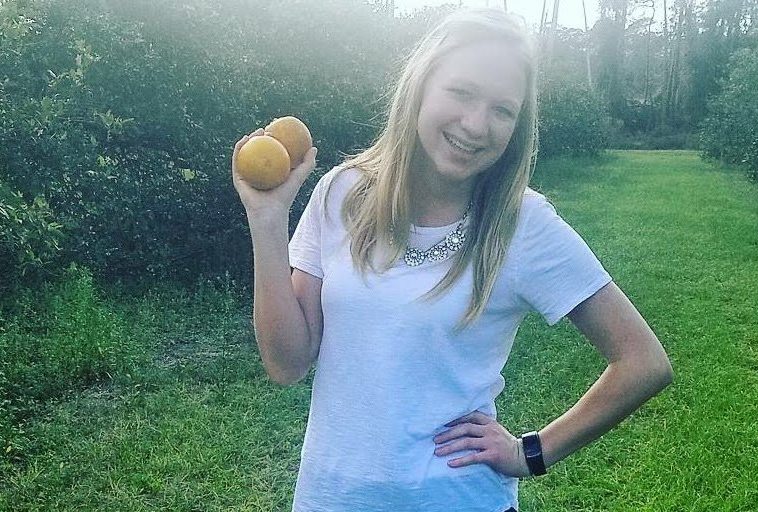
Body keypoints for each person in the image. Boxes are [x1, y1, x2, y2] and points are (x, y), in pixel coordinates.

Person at [232, 8, 673, 512]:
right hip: (332, 498)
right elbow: (286, 363)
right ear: (421, 85)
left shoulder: (522, 224)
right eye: (462, 92)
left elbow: (643, 362)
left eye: (502, 110)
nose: (476, 125)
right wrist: (268, 219)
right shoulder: (342, 193)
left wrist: (530, 452)